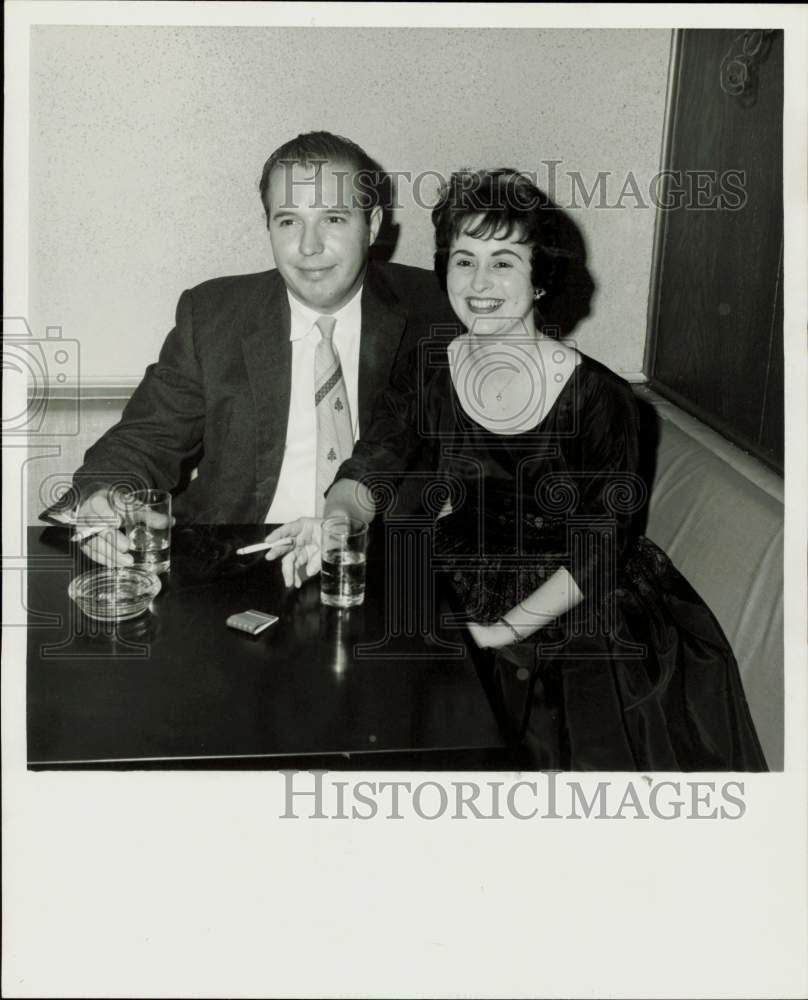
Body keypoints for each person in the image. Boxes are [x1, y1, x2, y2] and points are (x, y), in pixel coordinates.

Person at [267, 168, 768, 772]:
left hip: (580, 605)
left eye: (503, 262)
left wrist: (502, 634)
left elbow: (600, 547)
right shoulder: (431, 368)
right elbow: (375, 460)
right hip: (456, 575)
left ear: (539, 281)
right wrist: (337, 521)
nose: (479, 283)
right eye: (464, 260)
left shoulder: (601, 398)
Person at [52, 131, 454, 566]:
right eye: (288, 221)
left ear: (372, 225)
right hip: (234, 563)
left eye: (334, 219)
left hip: (387, 568)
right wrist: (104, 494)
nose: (309, 246)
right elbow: (147, 437)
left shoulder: (437, 308)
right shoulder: (212, 315)